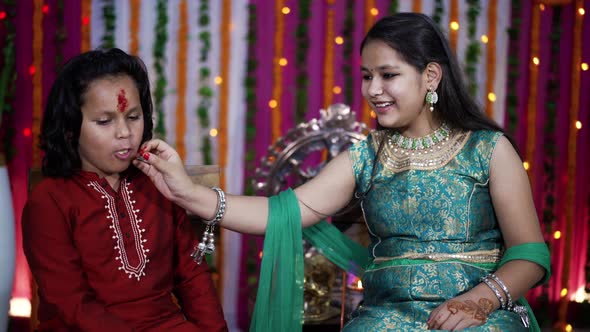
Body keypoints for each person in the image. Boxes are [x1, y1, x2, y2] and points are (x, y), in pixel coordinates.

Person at [134, 13, 550, 332]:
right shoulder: (367, 156)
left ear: (430, 76)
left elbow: (529, 254)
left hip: (481, 314)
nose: (372, 90)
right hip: (387, 317)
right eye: (368, 76)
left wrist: (479, 301)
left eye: (388, 75)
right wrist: (188, 192)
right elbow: (282, 213)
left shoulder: (488, 149)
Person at [22, 48, 228, 332]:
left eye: (133, 117)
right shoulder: (50, 201)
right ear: (70, 127)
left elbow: (192, 274)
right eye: (105, 121)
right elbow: (70, 302)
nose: (124, 133)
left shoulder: (157, 183)